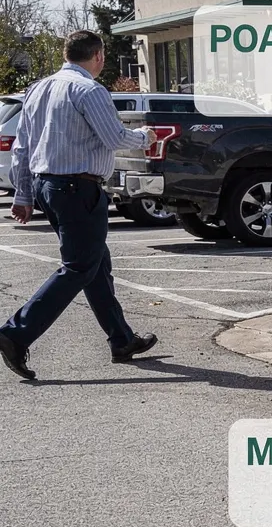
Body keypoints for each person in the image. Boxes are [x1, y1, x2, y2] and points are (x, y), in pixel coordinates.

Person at [0, 31, 158, 380]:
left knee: (95, 264)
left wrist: (23, 194)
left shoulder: (38, 89)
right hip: (78, 189)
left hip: (48, 186)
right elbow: (115, 137)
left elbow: (23, 146)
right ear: (98, 56)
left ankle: (122, 339)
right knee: (79, 266)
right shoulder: (89, 90)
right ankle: (15, 333)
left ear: (67, 54)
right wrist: (145, 137)